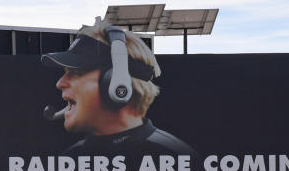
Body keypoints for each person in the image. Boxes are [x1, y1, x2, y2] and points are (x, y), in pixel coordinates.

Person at [43, 19, 195, 159]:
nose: (60, 83)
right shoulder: (70, 157)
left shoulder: (180, 155)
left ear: (116, 83)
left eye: (76, 73)